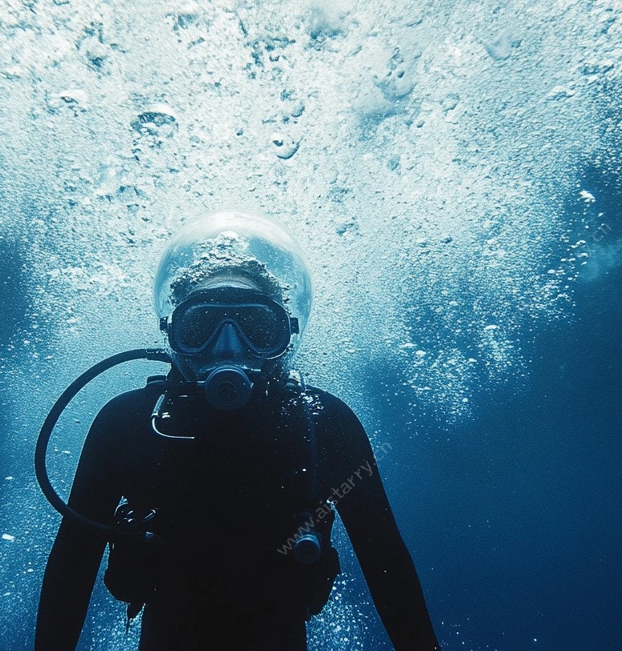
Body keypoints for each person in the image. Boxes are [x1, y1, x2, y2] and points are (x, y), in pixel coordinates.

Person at [35, 211, 441, 650]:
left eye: (256, 328)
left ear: (284, 336)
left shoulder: (324, 425)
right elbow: (72, 563)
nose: (228, 346)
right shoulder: (128, 424)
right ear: (173, 335)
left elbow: (386, 561)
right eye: (201, 328)